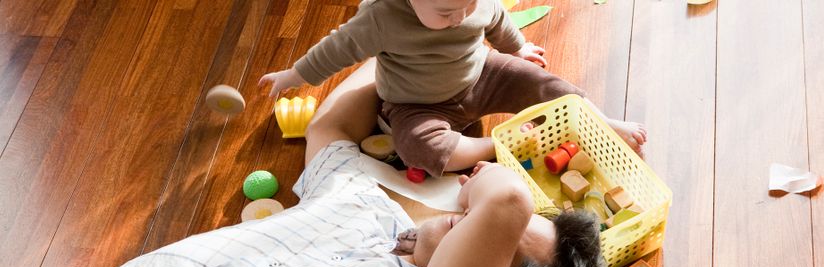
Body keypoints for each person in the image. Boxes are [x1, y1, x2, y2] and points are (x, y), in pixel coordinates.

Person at [2, 59, 606, 267]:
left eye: (483, 237)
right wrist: (406, 57)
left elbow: (505, 206)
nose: (465, 208)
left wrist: (478, 160)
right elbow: (332, 129)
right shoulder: (370, 210)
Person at [259, 0, 647, 178]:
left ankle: (601, 120)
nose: (461, 16)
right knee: (417, 149)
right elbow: (335, 49)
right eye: (447, 13)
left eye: (467, 6)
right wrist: (294, 75)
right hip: (417, 104)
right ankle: (499, 146)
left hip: (482, 75)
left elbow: (496, 20)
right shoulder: (380, 17)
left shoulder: (471, 4)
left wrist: (518, 48)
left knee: (546, 84)